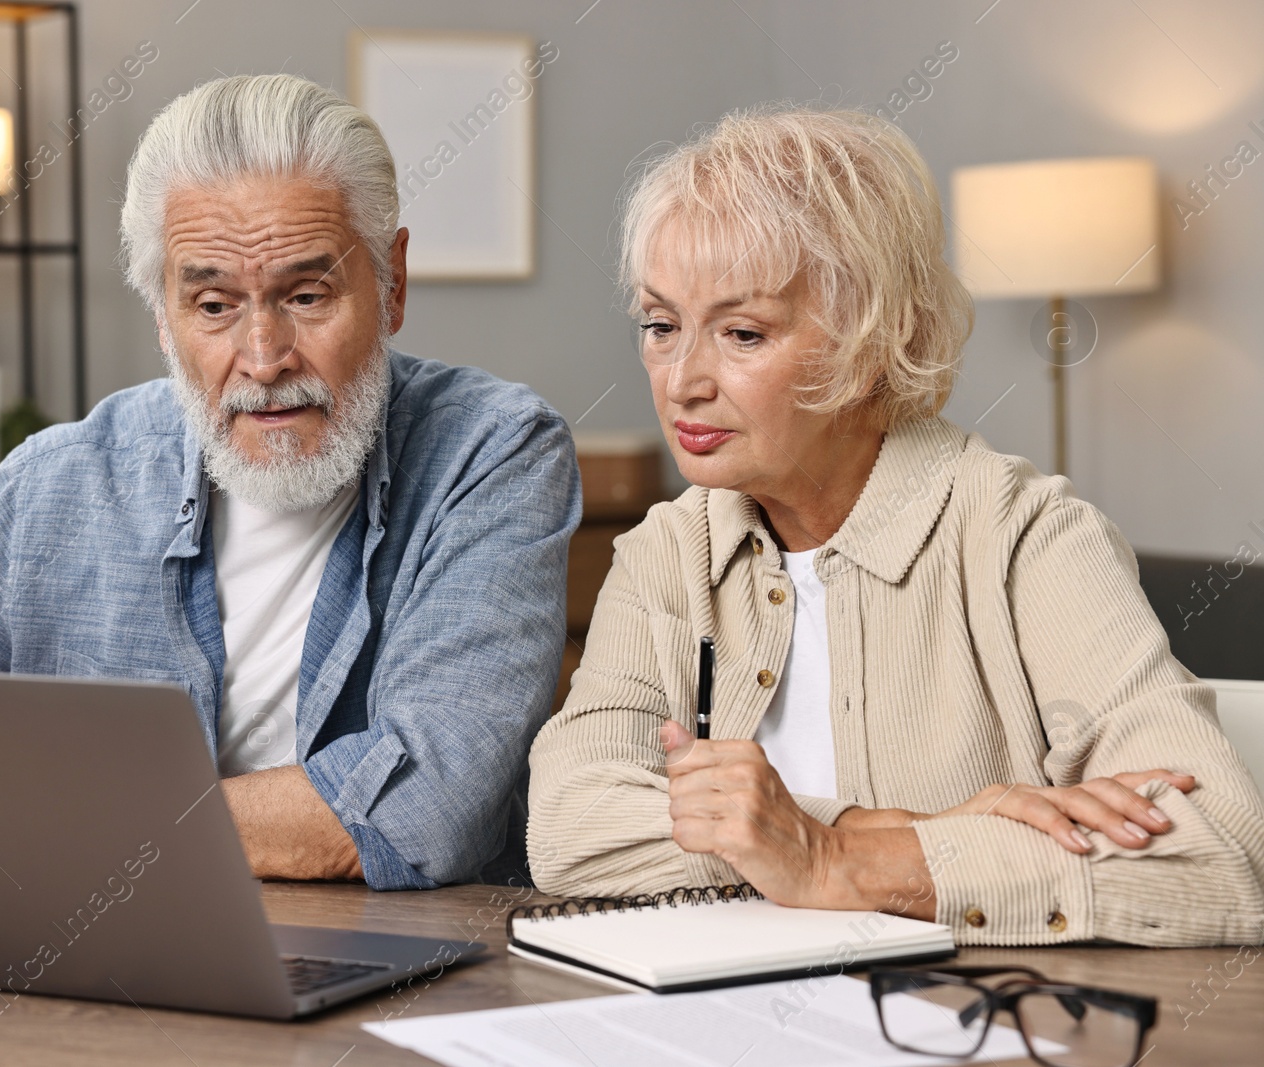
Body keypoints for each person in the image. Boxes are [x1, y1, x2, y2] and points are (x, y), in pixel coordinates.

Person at [0, 74, 580, 891]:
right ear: (163, 315)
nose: (264, 359)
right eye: (213, 305)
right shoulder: (62, 481)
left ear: (391, 287)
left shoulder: (493, 453)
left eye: (307, 297)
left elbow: (432, 802)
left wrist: (37, 821)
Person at [527, 105, 1264, 945]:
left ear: (877, 339)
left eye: (742, 332)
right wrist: (892, 828)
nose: (682, 380)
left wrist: (834, 862)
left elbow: (1220, 853)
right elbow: (567, 823)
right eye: (661, 326)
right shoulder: (665, 552)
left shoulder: (1028, 536)